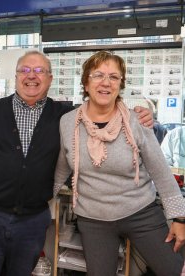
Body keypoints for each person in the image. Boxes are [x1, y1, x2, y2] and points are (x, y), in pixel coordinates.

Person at [0, 50, 154, 276]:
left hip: (32, 221)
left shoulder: (66, 116)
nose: (32, 76)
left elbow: (105, 113)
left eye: (40, 71)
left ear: (50, 79)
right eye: (25, 70)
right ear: (16, 76)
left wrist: (141, 115)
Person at [53, 50, 185, 275]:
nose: (106, 82)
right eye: (98, 75)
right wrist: (42, 201)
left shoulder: (136, 121)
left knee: (174, 269)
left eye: (114, 77)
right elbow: (63, 165)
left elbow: (160, 172)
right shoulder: (68, 122)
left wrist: (180, 218)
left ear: (120, 85)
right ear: (86, 83)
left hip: (140, 212)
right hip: (93, 218)